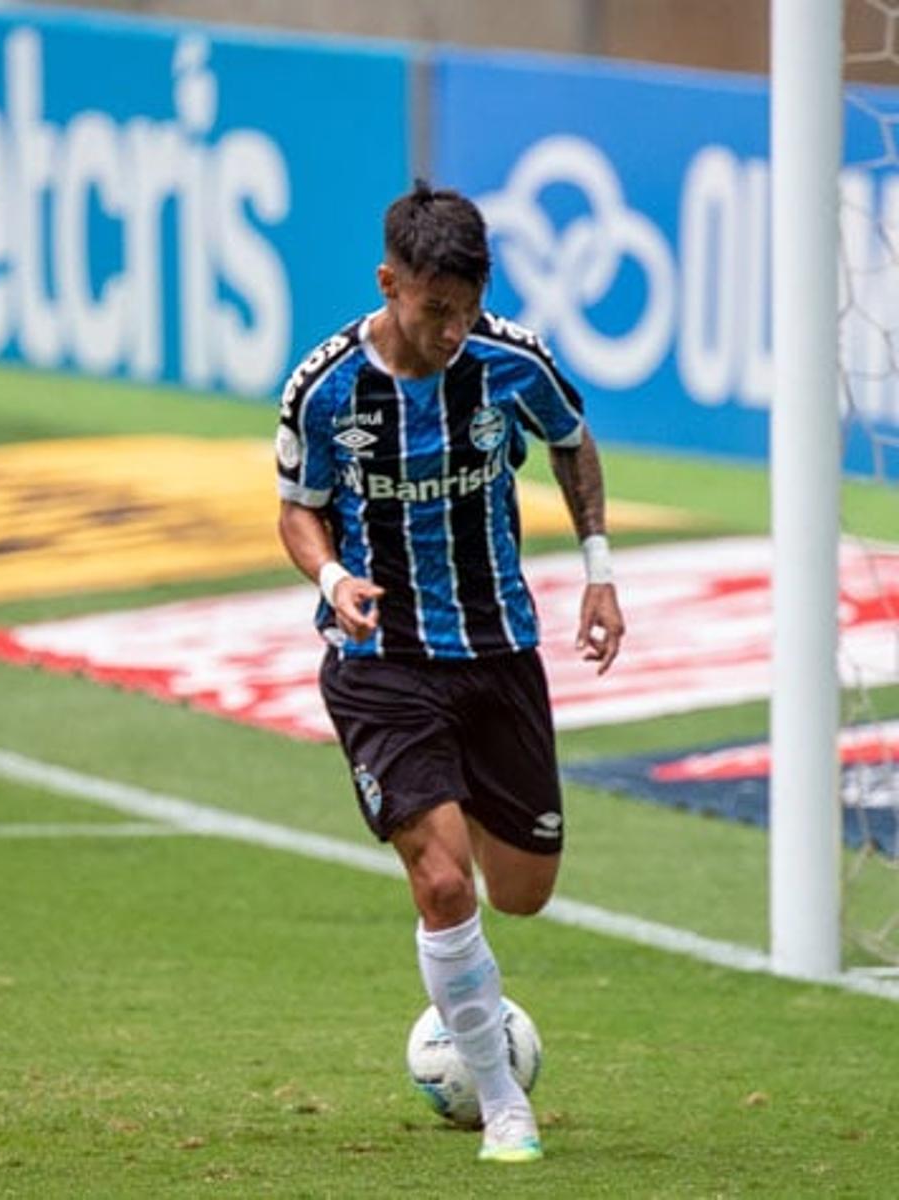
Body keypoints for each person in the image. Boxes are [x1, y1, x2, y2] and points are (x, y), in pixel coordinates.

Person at [273, 181, 625, 1165]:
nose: (452, 329)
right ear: (391, 284)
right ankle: (505, 1105)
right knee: (442, 882)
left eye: (466, 308)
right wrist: (334, 574)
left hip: (497, 649)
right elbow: (297, 508)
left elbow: (570, 439)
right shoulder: (325, 388)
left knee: (522, 889)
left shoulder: (508, 362)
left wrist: (598, 573)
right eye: (435, 310)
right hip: (380, 659)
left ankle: (453, 848)